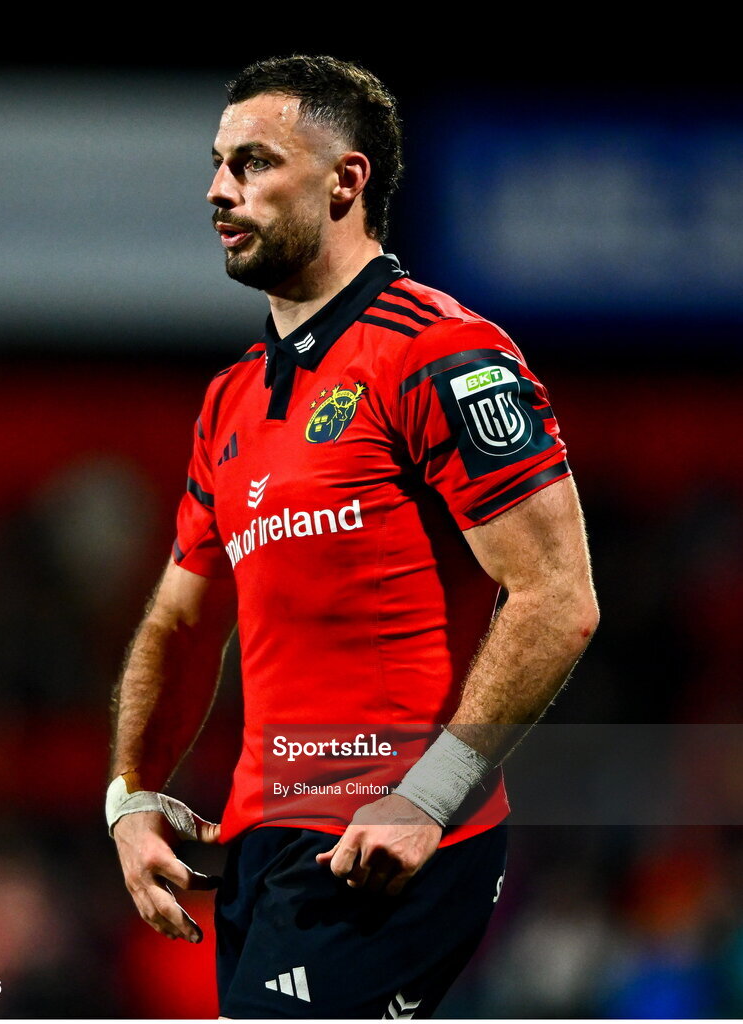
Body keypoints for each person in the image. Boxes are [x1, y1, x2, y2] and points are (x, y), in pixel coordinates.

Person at [107, 54, 599, 1019]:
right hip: (257, 845)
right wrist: (131, 797)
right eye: (216, 163)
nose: (217, 189)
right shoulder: (230, 400)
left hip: (384, 844)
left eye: (251, 163)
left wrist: (428, 798)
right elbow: (179, 619)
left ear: (345, 180)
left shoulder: (439, 352)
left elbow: (558, 596)